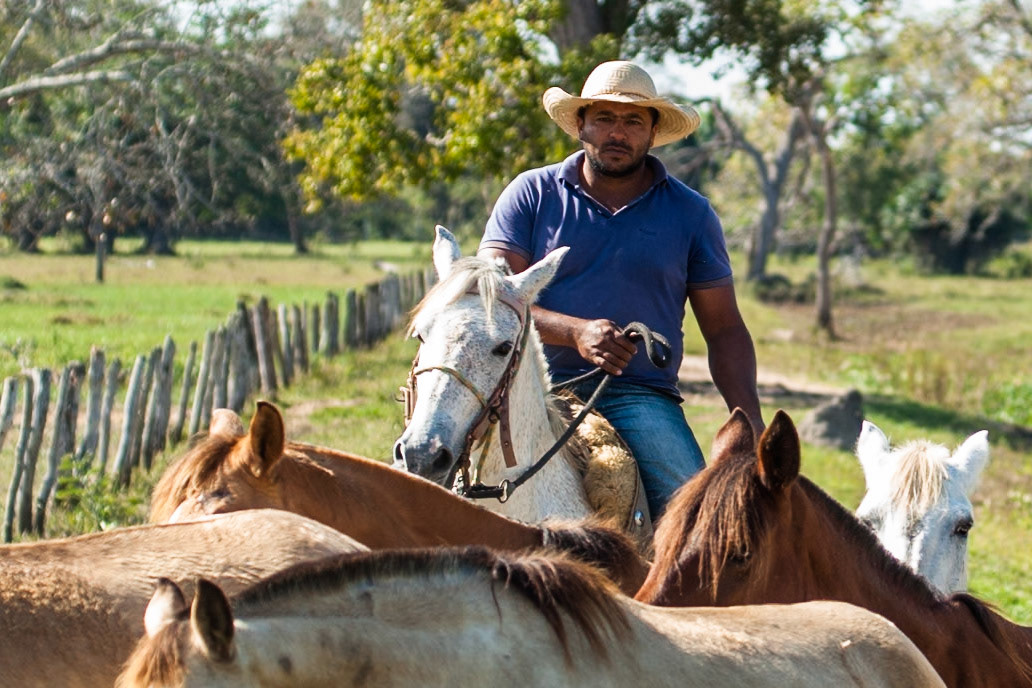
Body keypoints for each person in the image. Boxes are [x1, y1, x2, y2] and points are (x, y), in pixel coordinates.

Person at [478, 60, 764, 519]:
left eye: (633, 120)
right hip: (528, 383)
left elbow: (726, 329)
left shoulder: (691, 214)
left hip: (638, 393)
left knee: (695, 518)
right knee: (437, 480)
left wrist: (749, 421)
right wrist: (574, 333)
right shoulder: (530, 194)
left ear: (653, 132)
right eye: (605, 118)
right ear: (580, 124)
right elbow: (491, 300)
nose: (618, 132)